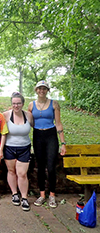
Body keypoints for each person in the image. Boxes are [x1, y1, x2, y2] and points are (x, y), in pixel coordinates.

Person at [28, 80, 66, 208]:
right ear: (36, 90)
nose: (42, 91)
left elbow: (59, 123)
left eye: (44, 88)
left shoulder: (54, 104)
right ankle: (42, 194)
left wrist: (63, 143)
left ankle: (52, 195)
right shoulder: (31, 105)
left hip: (51, 135)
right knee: (40, 166)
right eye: (39, 88)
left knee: (51, 167)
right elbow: (28, 122)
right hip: (38, 135)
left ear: (47, 90)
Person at [3, 92, 33, 211]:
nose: (16, 106)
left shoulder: (29, 116)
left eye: (18, 103)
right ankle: (14, 194)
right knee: (11, 171)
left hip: (24, 147)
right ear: (11, 104)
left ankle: (24, 198)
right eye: (14, 103)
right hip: (9, 147)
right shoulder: (6, 115)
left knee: (22, 174)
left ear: (23, 104)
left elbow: (38, 126)